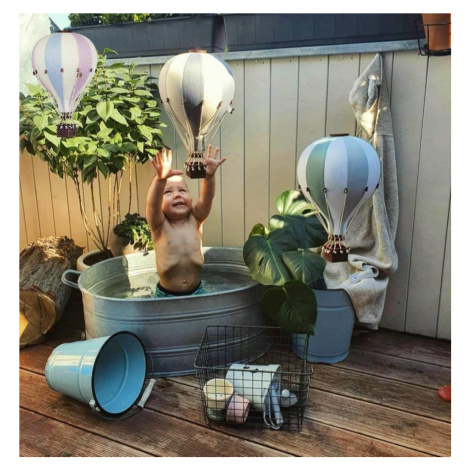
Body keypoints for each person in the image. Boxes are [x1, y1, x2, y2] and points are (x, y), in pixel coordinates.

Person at [146, 145, 226, 298]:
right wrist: (160, 180)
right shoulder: (160, 226)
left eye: (182, 190)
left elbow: (207, 198)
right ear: (160, 204)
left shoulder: (195, 220)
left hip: (197, 291)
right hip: (166, 296)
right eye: (168, 192)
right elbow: (152, 205)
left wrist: (209, 176)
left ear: (190, 200)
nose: (177, 195)